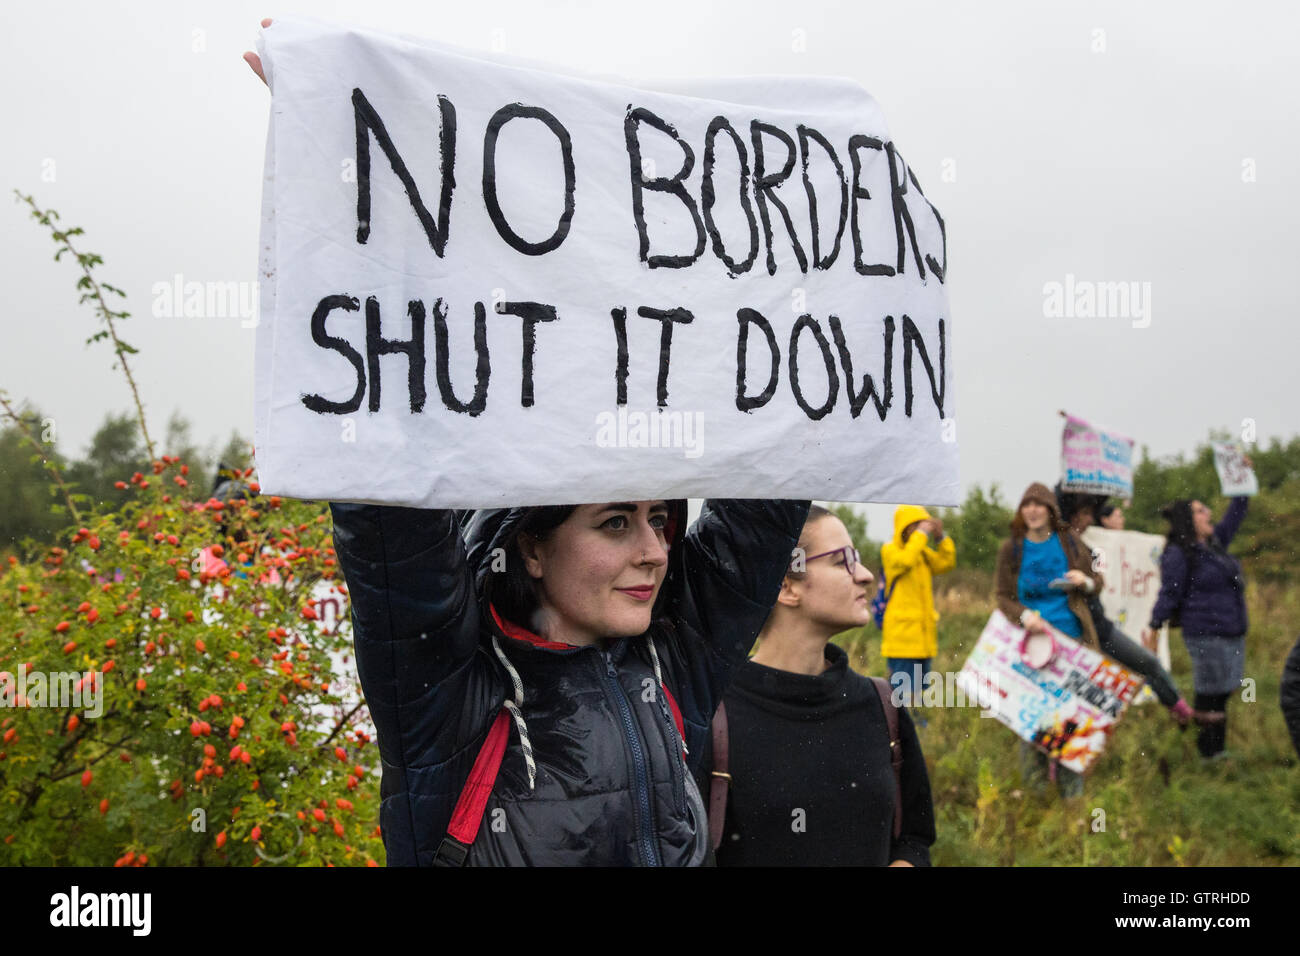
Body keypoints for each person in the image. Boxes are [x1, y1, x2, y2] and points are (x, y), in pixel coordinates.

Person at [245, 21, 812, 867]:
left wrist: (795, 265)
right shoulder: (448, 692)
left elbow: (773, 484)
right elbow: (388, 500)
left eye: (660, 518)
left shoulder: (673, 662)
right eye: (615, 522)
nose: (658, 549)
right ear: (533, 547)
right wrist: (350, 163)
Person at [708, 506, 935, 866]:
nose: (863, 575)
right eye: (841, 561)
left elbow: (914, 838)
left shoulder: (883, 705)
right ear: (786, 586)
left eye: (858, 559)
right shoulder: (714, 716)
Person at [994, 483, 1107, 797]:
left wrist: (1085, 581)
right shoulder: (1011, 548)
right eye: (1026, 505)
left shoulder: (1068, 541)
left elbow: (1098, 580)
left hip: (1073, 644)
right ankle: (1035, 793)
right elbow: (1003, 596)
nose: (1031, 510)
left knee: (1071, 718)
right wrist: (1024, 616)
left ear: (1050, 510)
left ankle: (1073, 794)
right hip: (1032, 648)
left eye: (1038, 504)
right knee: (1031, 718)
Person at [1055, 485, 1193, 727]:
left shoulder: (1085, 548)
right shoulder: (1057, 544)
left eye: (1091, 514)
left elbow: (1098, 582)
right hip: (1073, 633)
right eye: (1084, 514)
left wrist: (1087, 583)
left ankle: (1182, 712)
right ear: (1072, 514)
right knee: (1075, 699)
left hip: (1100, 628)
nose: (1089, 520)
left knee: (1148, 663)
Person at [1144, 496, 1250, 760]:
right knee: (1210, 692)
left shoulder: (1214, 546)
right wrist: (1155, 626)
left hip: (1231, 629)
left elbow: (1234, 517)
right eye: (1201, 511)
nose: (1209, 513)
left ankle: (1214, 748)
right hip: (1205, 631)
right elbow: (1170, 592)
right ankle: (1209, 752)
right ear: (1188, 520)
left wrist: (1242, 489)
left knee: (1225, 690)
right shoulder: (1179, 553)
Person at [879, 505, 956, 707]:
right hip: (902, 638)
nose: (921, 530)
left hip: (922, 638)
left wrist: (941, 538)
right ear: (903, 527)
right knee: (901, 693)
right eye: (915, 525)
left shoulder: (921, 553)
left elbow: (946, 563)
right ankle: (898, 728)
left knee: (920, 691)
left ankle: (916, 726)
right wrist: (921, 534)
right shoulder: (890, 550)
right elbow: (905, 561)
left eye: (923, 525)